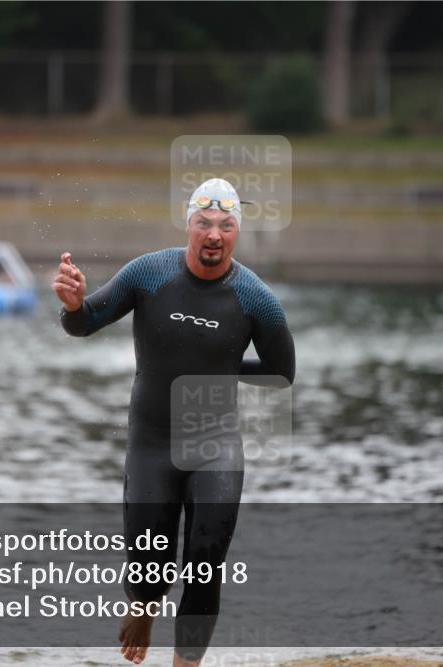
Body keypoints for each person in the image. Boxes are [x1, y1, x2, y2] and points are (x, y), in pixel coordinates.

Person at [53, 178, 295, 666]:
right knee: (147, 570)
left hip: (216, 446)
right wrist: (75, 304)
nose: (214, 234)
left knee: (205, 566)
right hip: (152, 447)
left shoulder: (257, 299)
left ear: (236, 233)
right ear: (189, 225)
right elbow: (84, 324)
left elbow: (282, 373)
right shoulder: (149, 274)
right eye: (204, 223)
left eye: (226, 226)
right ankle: (144, 606)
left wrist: (223, 371)